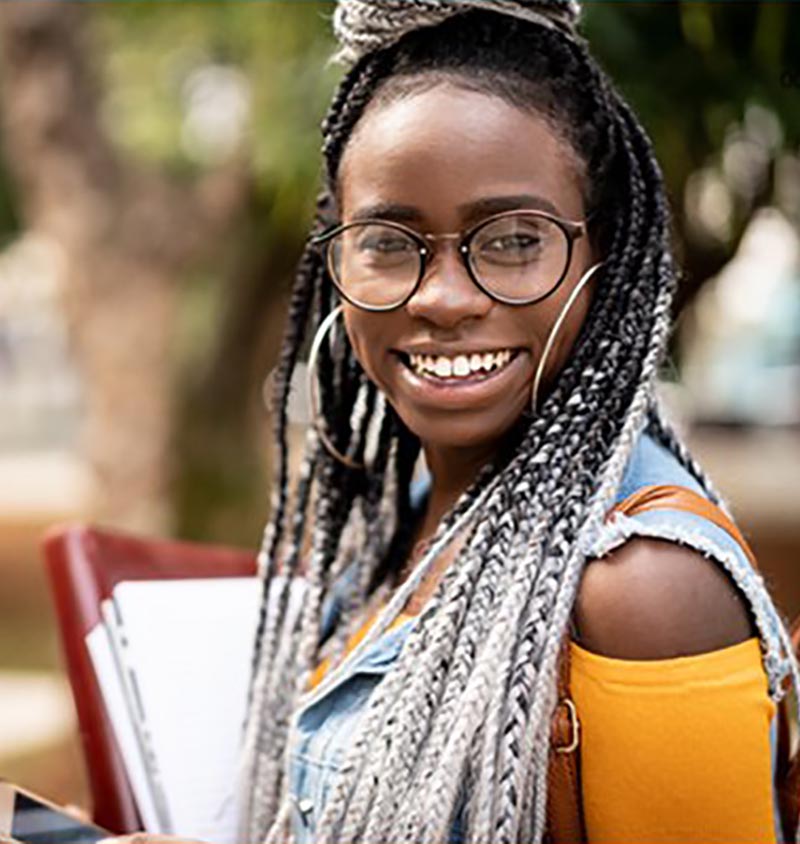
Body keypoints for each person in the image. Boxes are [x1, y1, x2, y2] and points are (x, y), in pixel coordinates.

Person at [100, 1, 800, 843]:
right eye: (389, 241)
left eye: (510, 241)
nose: (442, 299)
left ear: (604, 257)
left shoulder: (646, 585)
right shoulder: (411, 506)